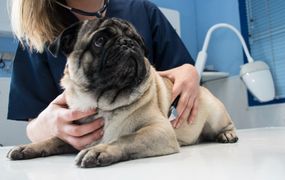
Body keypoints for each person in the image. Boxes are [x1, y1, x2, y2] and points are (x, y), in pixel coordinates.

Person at [8, 0, 200, 150]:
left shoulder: (143, 11)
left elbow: (178, 82)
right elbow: (33, 124)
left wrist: (190, 72)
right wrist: (45, 127)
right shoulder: (37, 34)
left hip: (145, 154)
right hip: (71, 165)